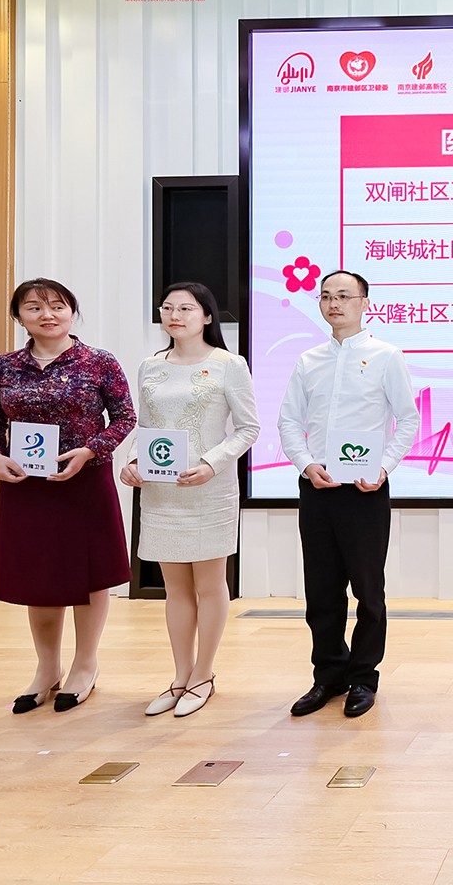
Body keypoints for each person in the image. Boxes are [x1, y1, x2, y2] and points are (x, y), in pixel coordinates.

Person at [0, 278, 135, 713]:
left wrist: (91, 450)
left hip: (85, 482)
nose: (47, 314)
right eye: (34, 307)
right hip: (27, 486)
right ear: (19, 317)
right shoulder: (3, 366)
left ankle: (85, 665)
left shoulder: (98, 361)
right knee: (38, 575)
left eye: (57, 306)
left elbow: (124, 417)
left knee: (91, 574)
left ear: (71, 312)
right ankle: (47, 668)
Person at [277, 270, 419, 718]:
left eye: (343, 296)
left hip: (365, 490)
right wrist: (306, 464)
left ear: (364, 303)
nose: (334, 303)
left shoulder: (386, 356)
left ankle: (363, 678)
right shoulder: (309, 360)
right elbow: (288, 420)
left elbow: (408, 419)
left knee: (368, 592)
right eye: (326, 296)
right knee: (321, 592)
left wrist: (383, 467)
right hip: (317, 487)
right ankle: (329, 676)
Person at [121, 283, 259, 718]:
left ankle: (203, 675)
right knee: (175, 588)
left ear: (207, 316)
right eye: (167, 308)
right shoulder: (150, 366)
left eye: (186, 308)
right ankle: (180, 676)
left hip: (208, 489)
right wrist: (133, 460)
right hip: (162, 489)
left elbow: (248, 428)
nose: (174, 315)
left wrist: (211, 464)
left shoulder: (229, 364)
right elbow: (145, 425)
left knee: (209, 585)